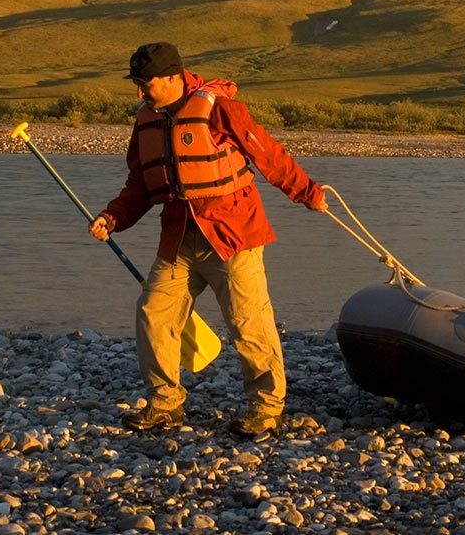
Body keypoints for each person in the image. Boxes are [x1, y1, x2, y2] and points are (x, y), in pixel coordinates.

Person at [89, 42, 328, 438]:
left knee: (248, 322)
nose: (139, 92)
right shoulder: (146, 120)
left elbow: (268, 155)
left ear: (172, 76)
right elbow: (141, 183)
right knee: (154, 312)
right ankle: (165, 404)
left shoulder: (219, 109)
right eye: (136, 83)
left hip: (232, 234)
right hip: (178, 236)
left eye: (145, 82)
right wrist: (113, 216)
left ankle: (266, 409)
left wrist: (308, 193)